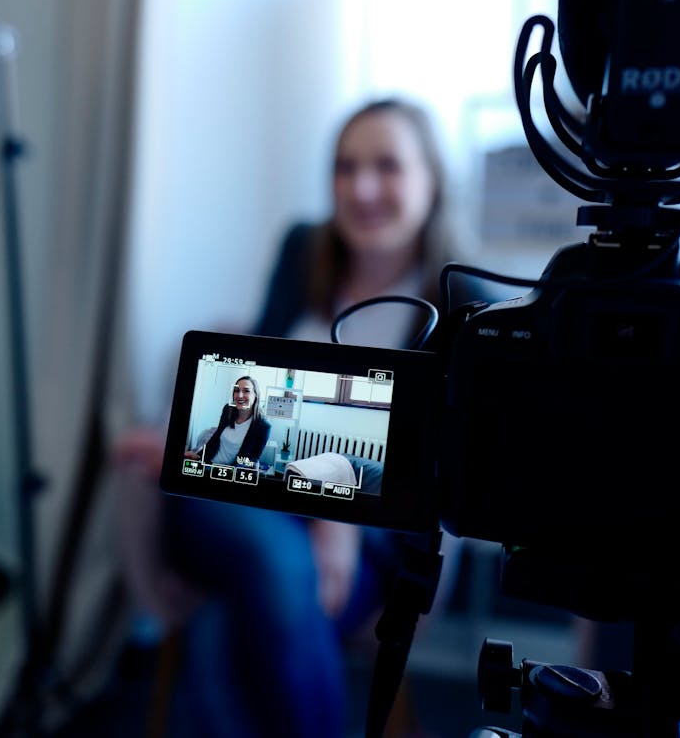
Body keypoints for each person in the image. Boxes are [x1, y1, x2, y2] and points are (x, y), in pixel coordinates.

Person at [123, 96, 483, 738]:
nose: (361, 188)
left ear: (432, 179)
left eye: (387, 167)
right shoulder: (304, 250)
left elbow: (447, 469)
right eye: (345, 168)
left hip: (369, 546)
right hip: (236, 501)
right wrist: (183, 435)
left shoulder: (465, 304)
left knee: (234, 618)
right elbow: (249, 382)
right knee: (274, 559)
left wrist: (335, 518)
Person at [183, 376, 272, 467]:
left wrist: (231, 472)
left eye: (246, 391)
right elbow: (215, 437)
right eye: (237, 390)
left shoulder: (263, 426)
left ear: (256, 395)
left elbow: (253, 458)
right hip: (209, 463)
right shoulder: (228, 409)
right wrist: (198, 456)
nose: (240, 395)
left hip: (231, 471)